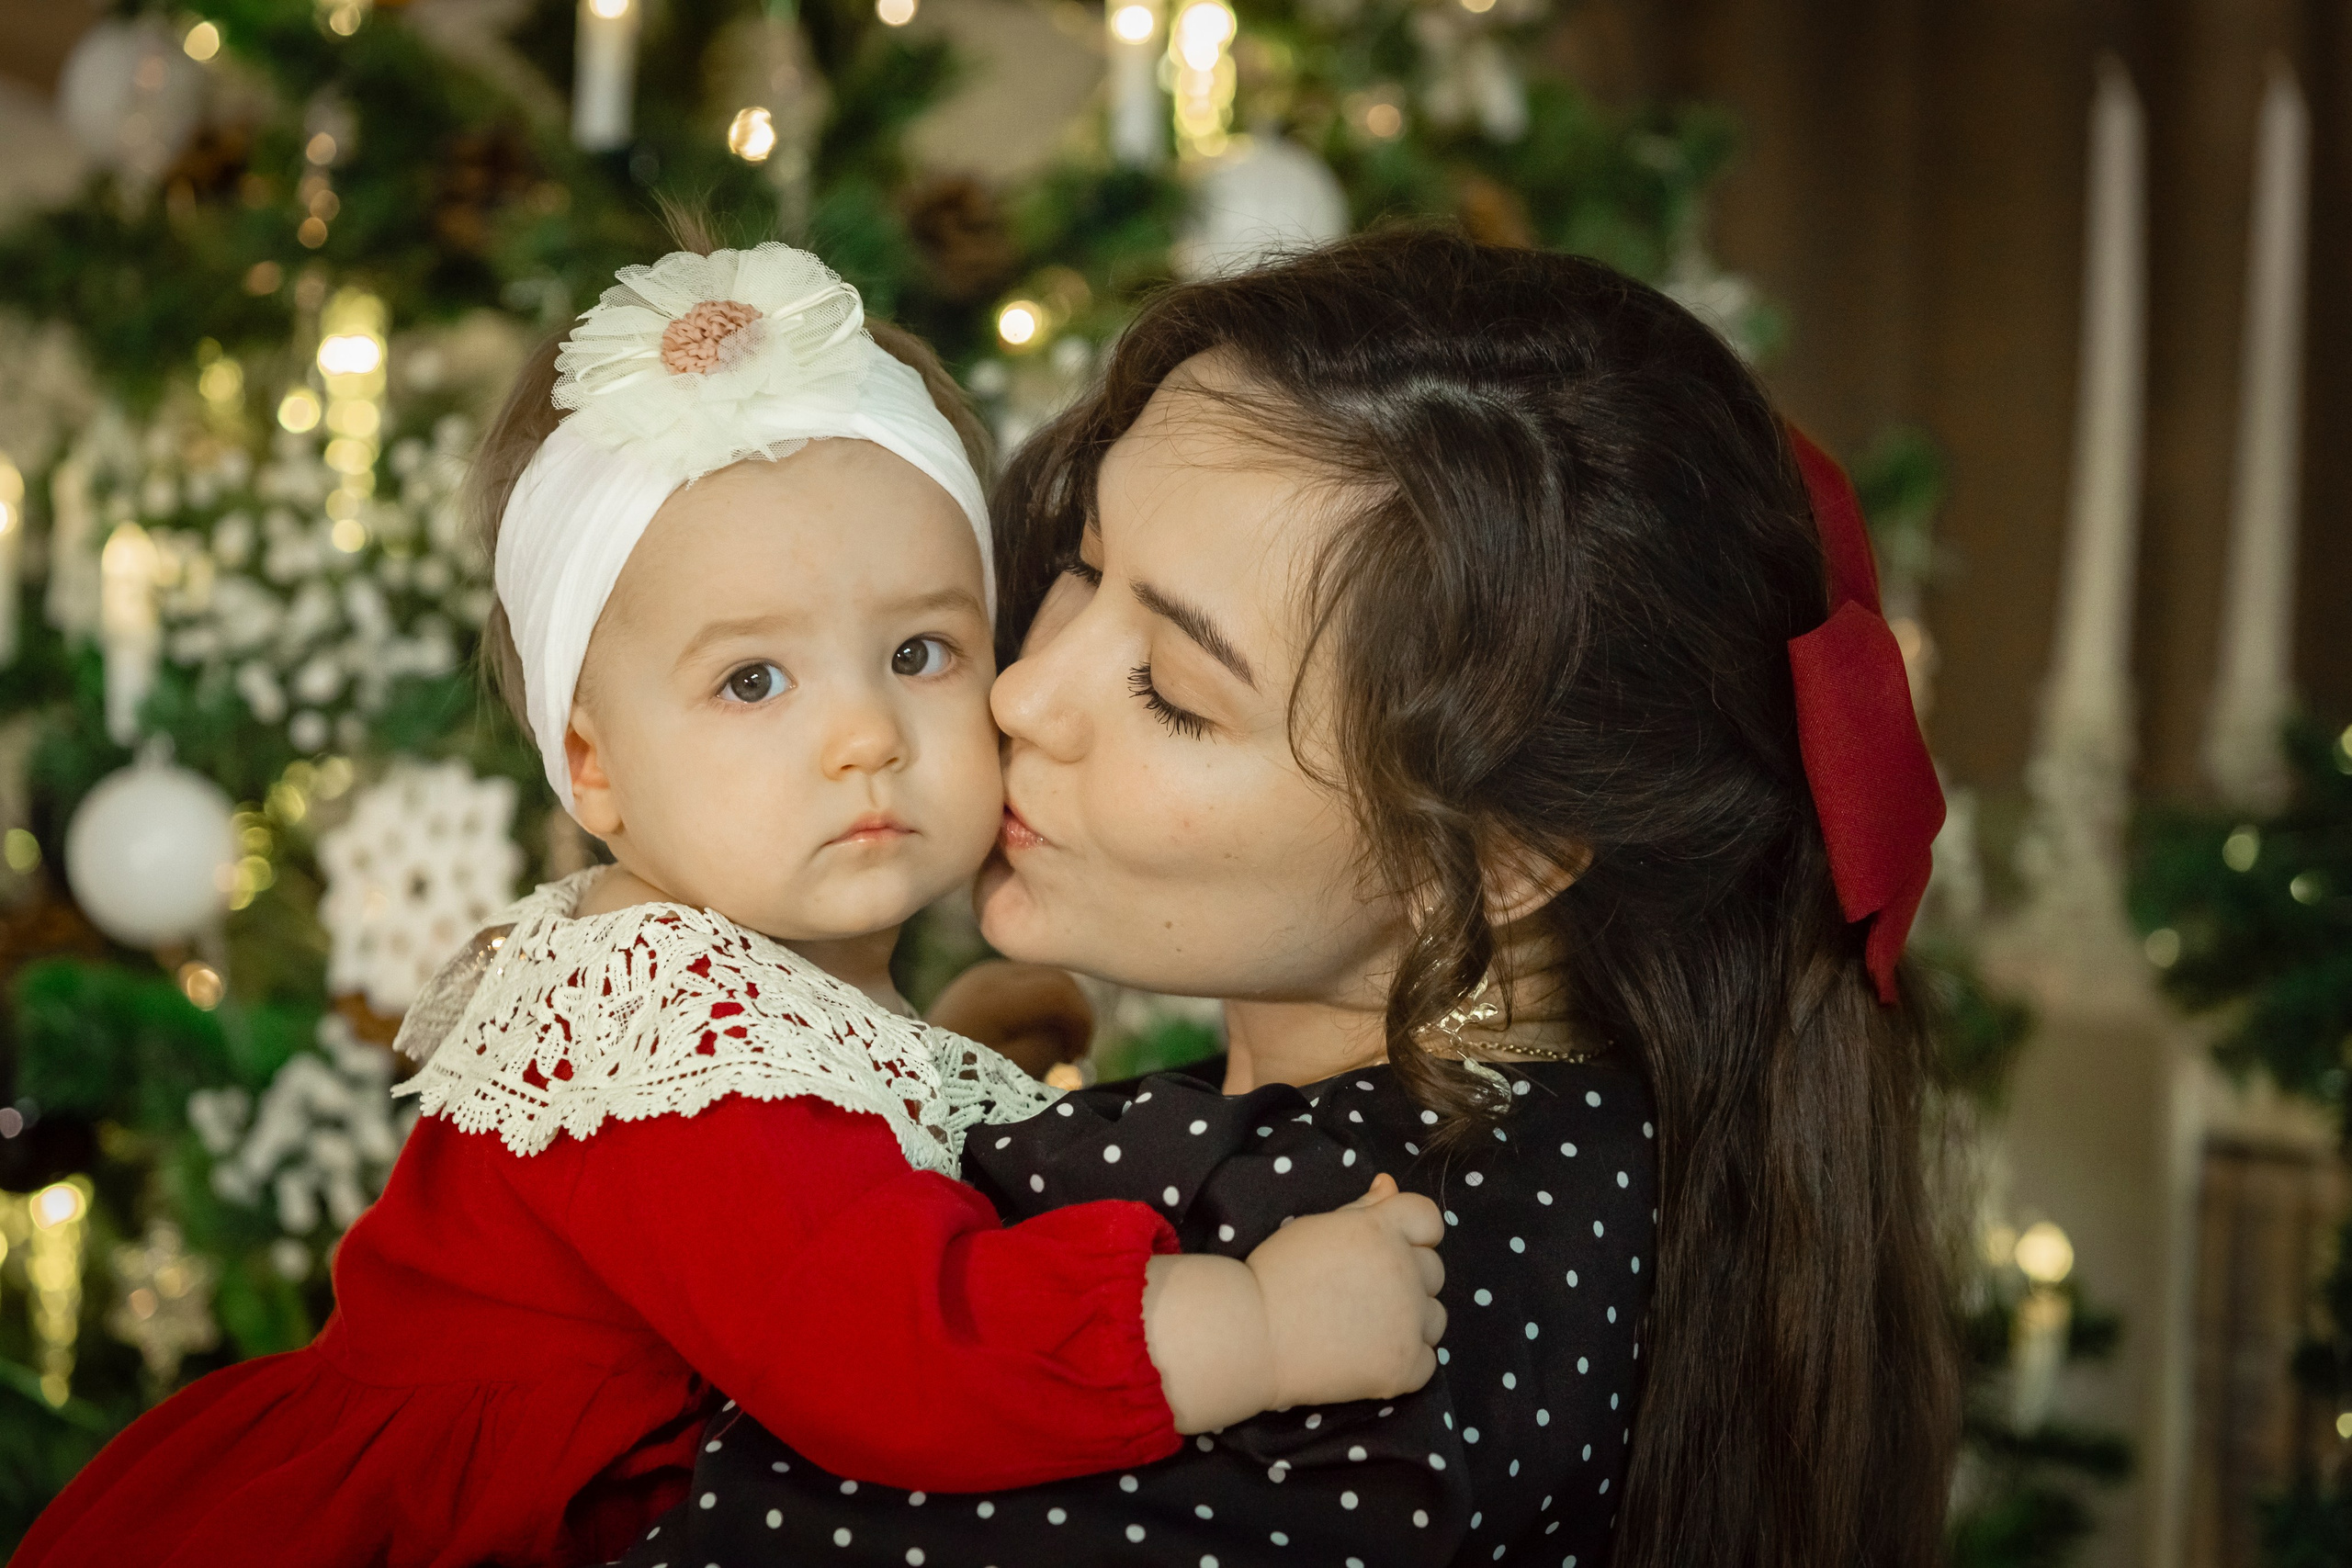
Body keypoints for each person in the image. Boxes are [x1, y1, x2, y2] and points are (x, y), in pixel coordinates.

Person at [12, 241, 1448, 1568]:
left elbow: (828, 1179)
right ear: (593, 763)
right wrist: (1259, 1327)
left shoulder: (745, 983)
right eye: (753, 680)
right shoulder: (665, 1031)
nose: (864, 737)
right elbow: (901, 1354)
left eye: (921, 650)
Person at [616, 229, 1962, 1568]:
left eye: (1176, 694)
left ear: (1499, 859)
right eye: (1085, 564)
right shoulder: (1518, 1158)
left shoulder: (1381, 1288)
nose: (1024, 693)